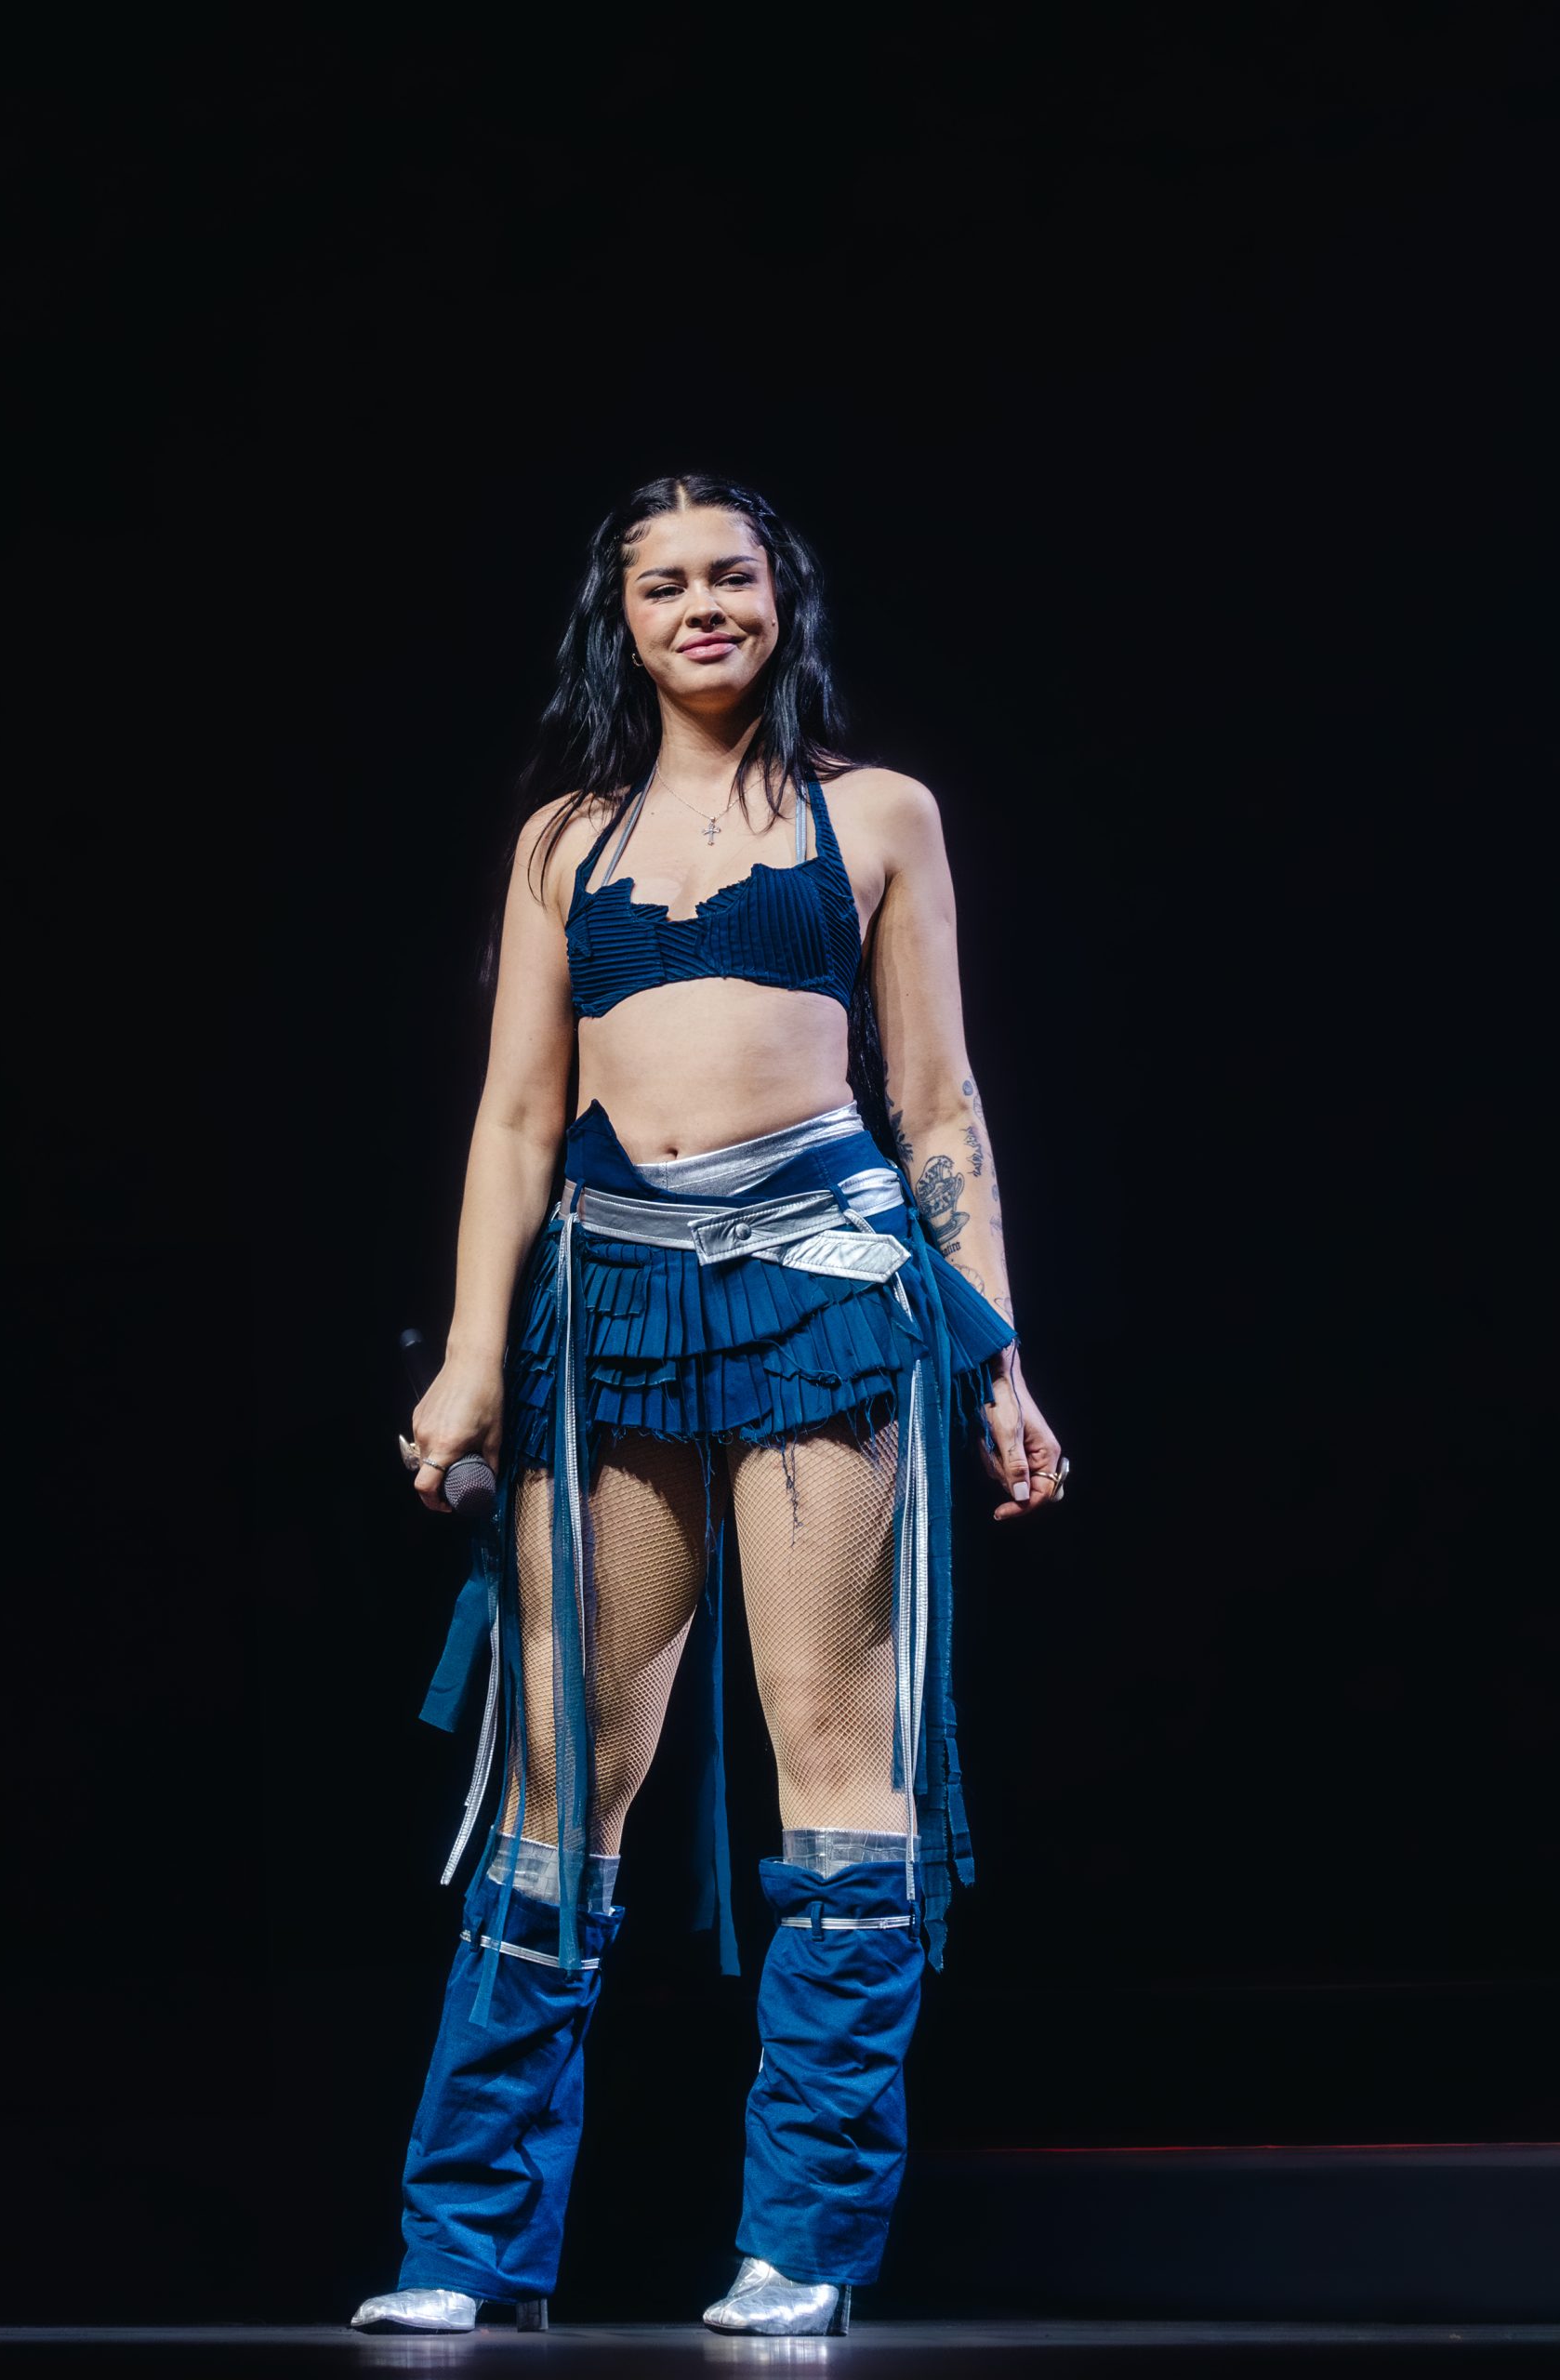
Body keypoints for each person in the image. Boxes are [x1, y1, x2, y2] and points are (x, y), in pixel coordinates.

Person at [351, 472, 1066, 2338]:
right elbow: (518, 1115)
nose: (701, 606)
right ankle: (464, 2248)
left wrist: (995, 1354)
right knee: (554, 1779)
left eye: (729, 574)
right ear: (624, 619)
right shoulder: (565, 842)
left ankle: (800, 2240)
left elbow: (939, 1103)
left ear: (779, 595)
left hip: (824, 1287)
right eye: (662, 583)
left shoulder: (876, 813)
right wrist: (471, 1358)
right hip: (612, 1302)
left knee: (838, 1768)